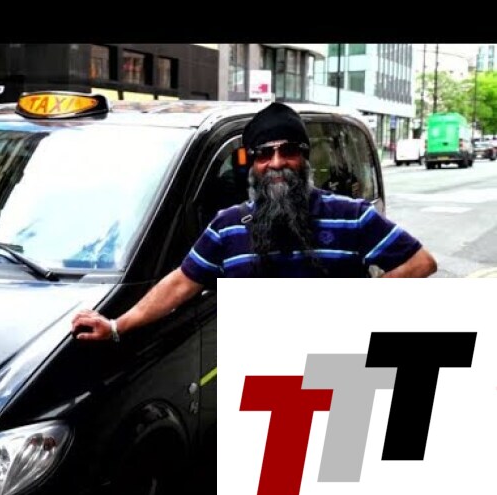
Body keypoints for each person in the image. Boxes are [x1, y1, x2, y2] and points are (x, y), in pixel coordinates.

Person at [71, 102, 438, 342]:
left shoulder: (351, 215)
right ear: (253, 164)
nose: (276, 163)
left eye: (288, 151)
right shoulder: (227, 226)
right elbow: (181, 282)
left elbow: (420, 263)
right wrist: (117, 326)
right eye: (265, 154)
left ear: (305, 157)